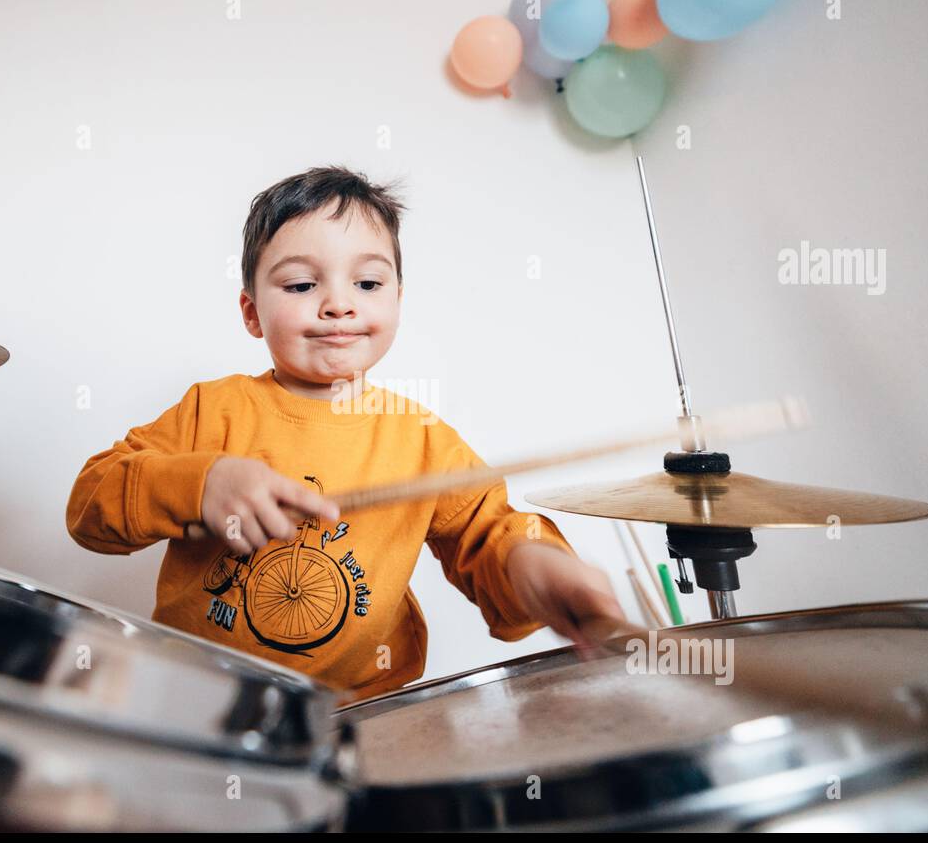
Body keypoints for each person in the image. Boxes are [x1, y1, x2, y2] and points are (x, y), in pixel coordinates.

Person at [66, 165, 623, 701]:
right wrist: (202, 484)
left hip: (360, 712)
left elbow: (490, 533)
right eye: (303, 283)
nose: (338, 304)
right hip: (199, 700)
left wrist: (539, 567)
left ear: (398, 300)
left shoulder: (423, 439)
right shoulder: (212, 409)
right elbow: (91, 506)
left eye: (368, 281)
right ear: (252, 312)